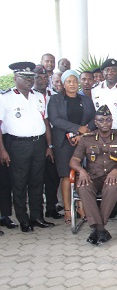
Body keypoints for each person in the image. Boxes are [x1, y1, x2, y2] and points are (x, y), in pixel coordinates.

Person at [0, 62, 55, 232]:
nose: (29, 81)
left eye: (31, 77)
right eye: (25, 77)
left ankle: (37, 216)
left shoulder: (38, 96)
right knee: (19, 183)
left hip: (38, 144)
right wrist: (2, 150)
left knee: (37, 182)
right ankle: (23, 219)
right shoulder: (5, 97)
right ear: (15, 78)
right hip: (17, 145)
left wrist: (49, 145)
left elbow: (45, 122)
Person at [69, 105, 117, 245]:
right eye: (101, 120)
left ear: (112, 121)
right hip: (92, 176)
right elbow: (74, 160)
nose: (105, 123)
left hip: (114, 176)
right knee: (83, 188)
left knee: (111, 187)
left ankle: (97, 229)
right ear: (95, 122)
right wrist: (82, 171)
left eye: (108, 120)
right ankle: (101, 229)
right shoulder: (86, 138)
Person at [47, 70, 96, 224]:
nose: (72, 84)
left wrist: (82, 134)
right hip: (63, 143)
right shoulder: (55, 100)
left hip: (83, 141)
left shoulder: (86, 100)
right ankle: (68, 210)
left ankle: (81, 206)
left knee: (83, 174)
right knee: (67, 176)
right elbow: (55, 120)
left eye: (75, 81)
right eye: (69, 81)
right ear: (63, 83)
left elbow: (94, 119)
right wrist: (77, 129)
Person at [32, 65, 62, 220]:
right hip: (36, 137)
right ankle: (36, 210)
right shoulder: (29, 95)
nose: (42, 81)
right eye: (39, 78)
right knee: (37, 176)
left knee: (52, 174)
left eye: (45, 78)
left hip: (54, 137)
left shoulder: (54, 94)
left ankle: (51, 207)